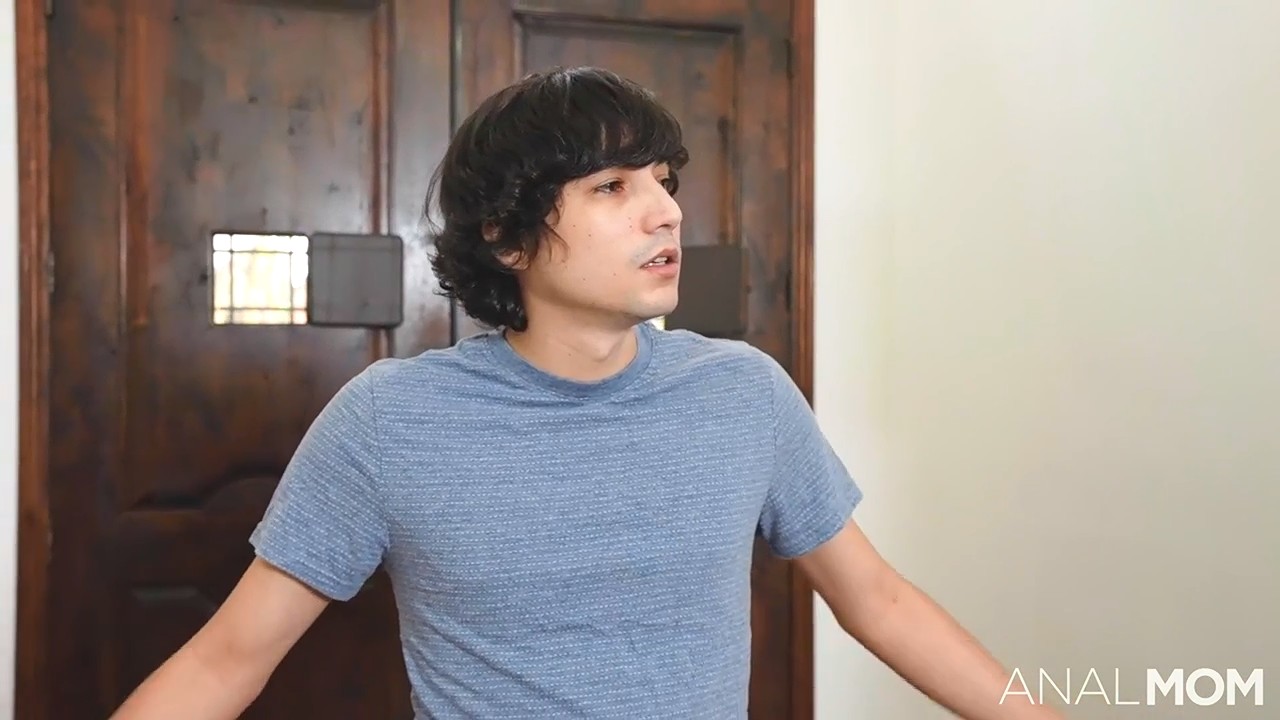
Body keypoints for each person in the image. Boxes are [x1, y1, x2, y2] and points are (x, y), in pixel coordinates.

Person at [111, 67, 1063, 719]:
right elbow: (225, 661)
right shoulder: (388, 422)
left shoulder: (743, 392)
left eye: (664, 179)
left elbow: (878, 601)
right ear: (506, 236)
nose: (666, 210)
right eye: (611, 186)